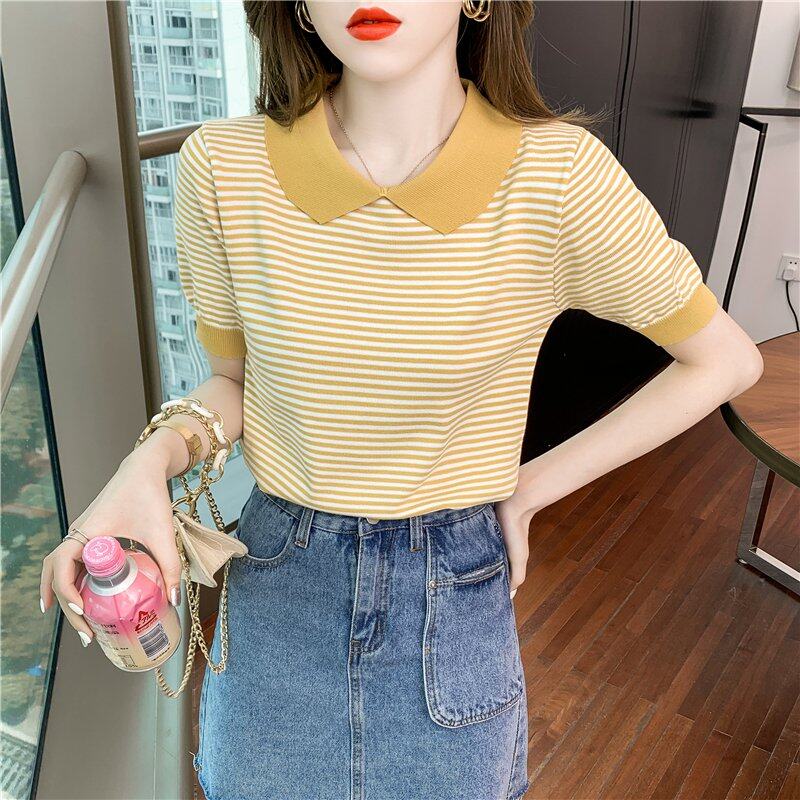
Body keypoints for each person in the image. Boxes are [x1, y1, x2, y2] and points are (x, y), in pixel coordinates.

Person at [40, 2, 764, 798]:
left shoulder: (559, 175)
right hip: (279, 583)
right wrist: (145, 466)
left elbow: (723, 361)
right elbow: (234, 384)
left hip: (452, 593)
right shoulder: (223, 167)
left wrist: (528, 490)